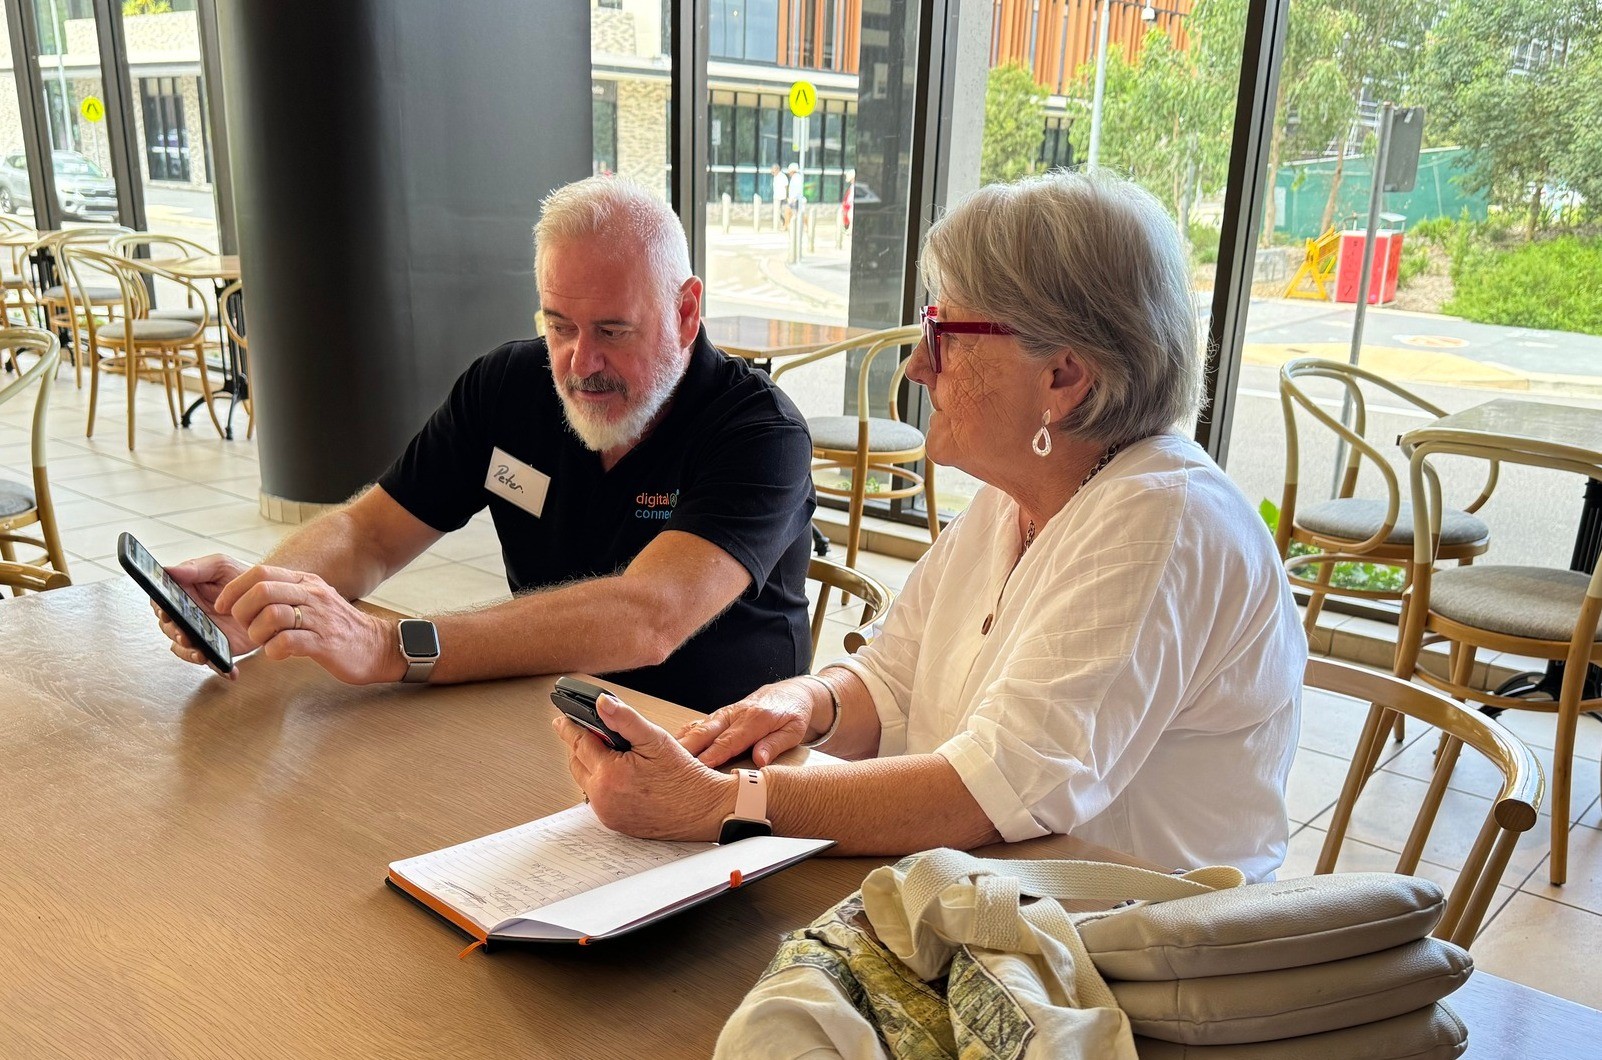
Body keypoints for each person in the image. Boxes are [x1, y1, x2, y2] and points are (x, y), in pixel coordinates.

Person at [555, 170, 1306, 880]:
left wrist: (722, 805)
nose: (918, 363)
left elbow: (991, 790)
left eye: (944, 329)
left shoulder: (1162, 520)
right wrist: (802, 704)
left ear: (1064, 375)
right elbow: (893, 679)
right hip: (1002, 912)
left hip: (1127, 960)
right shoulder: (1019, 499)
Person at [152, 177, 817, 713]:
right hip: (548, 710)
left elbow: (648, 619)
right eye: (559, 326)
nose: (581, 363)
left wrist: (391, 646)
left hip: (717, 751)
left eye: (613, 331)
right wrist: (265, 603)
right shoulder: (507, 387)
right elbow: (370, 536)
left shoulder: (760, 434)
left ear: (685, 312)